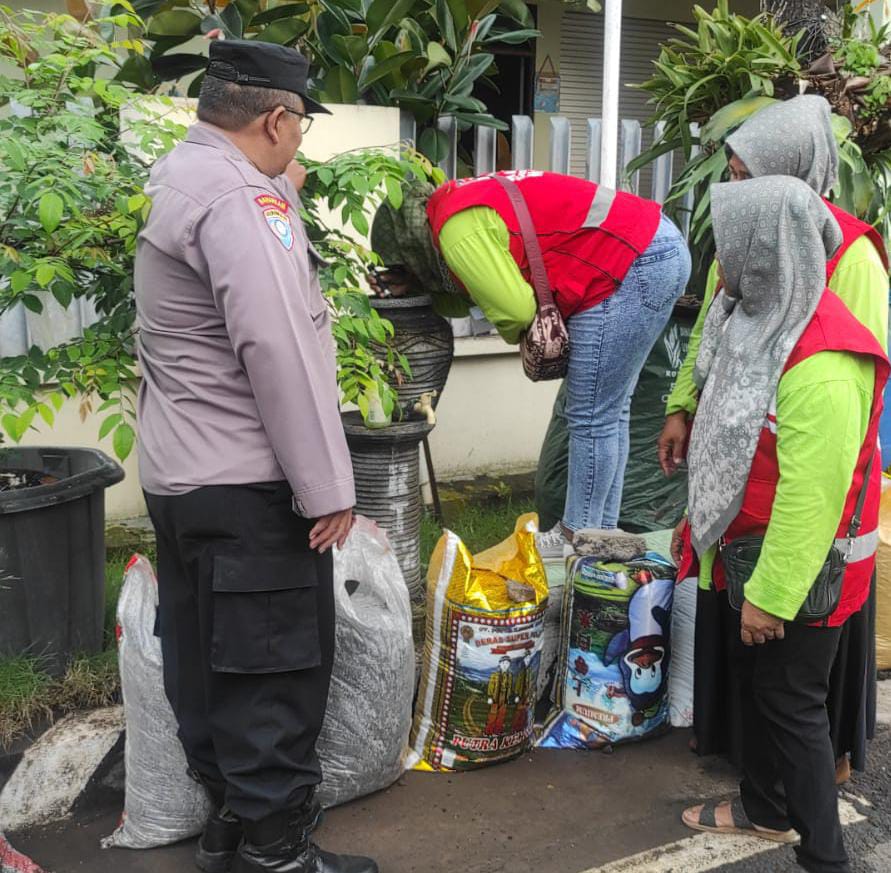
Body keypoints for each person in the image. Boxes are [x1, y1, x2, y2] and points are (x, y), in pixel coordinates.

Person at [134, 39, 377, 873]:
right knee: (271, 675)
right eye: (301, 126)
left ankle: (232, 832)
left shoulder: (183, 174)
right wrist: (326, 488)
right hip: (248, 487)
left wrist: (277, 192)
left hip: (182, 478)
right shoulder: (244, 202)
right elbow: (277, 347)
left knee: (209, 666)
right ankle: (276, 856)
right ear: (277, 117)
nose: (300, 142)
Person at [658, 95, 889, 782]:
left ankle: (819, 769)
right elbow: (714, 333)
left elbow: (852, 389)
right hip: (745, 483)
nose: (731, 188)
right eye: (730, 172)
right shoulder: (744, 231)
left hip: (810, 487)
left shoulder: (851, 254)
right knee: (748, 639)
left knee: (800, 645)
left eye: (743, 173)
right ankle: (750, 762)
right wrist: (682, 409)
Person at [371, 170, 691, 555]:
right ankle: (600, 534)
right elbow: (471, 294)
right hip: (655, 247)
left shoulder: (455, 230)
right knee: (609, 412)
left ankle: (576, 538)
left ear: (411, 250)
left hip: (633, 260)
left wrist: (522, 333)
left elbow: (516, 308)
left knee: (592, 415)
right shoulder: (459, 203)